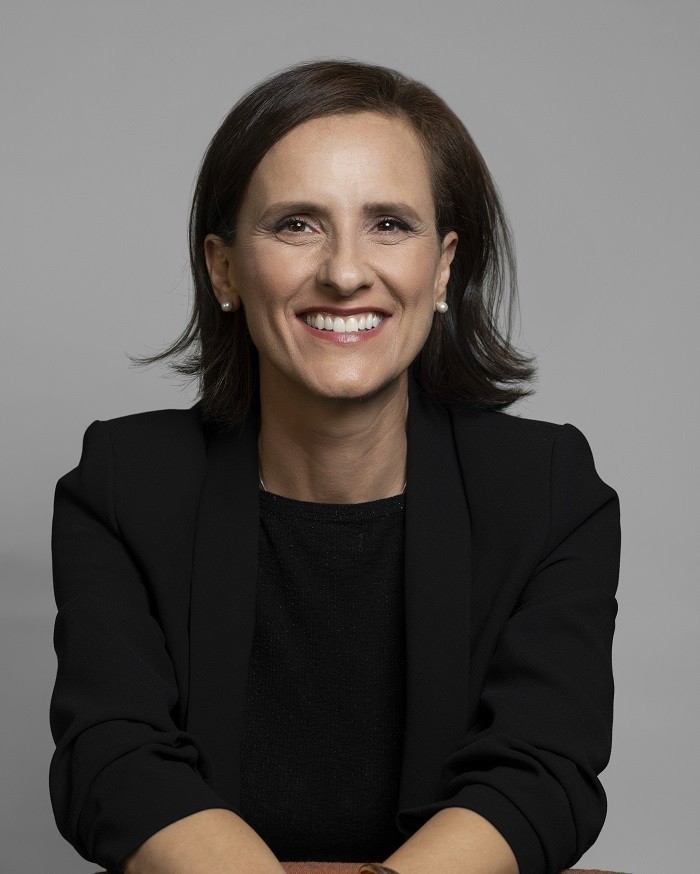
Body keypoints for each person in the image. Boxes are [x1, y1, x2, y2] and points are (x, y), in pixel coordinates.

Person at [48, 58, 621, 874]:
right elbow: (115, 763)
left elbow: (540, 774)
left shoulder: (549, 492)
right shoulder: (122, 486)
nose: (346, 273)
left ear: (444, 267)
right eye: (297, 225)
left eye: (389, 224)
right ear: (223, 269)